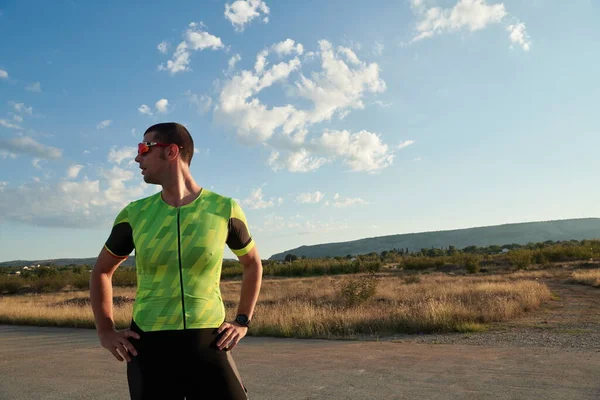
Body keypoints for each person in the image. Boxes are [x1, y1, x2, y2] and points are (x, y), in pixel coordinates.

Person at [90, 122, 263, 400]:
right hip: (149, 348)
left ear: (171, 151)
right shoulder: (135, 214)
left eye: (144, 148)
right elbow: (101, 271)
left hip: (208, 342)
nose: (137, 158)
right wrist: (105, 331)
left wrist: (242, 320)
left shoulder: (224, 209)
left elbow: (252, 263)